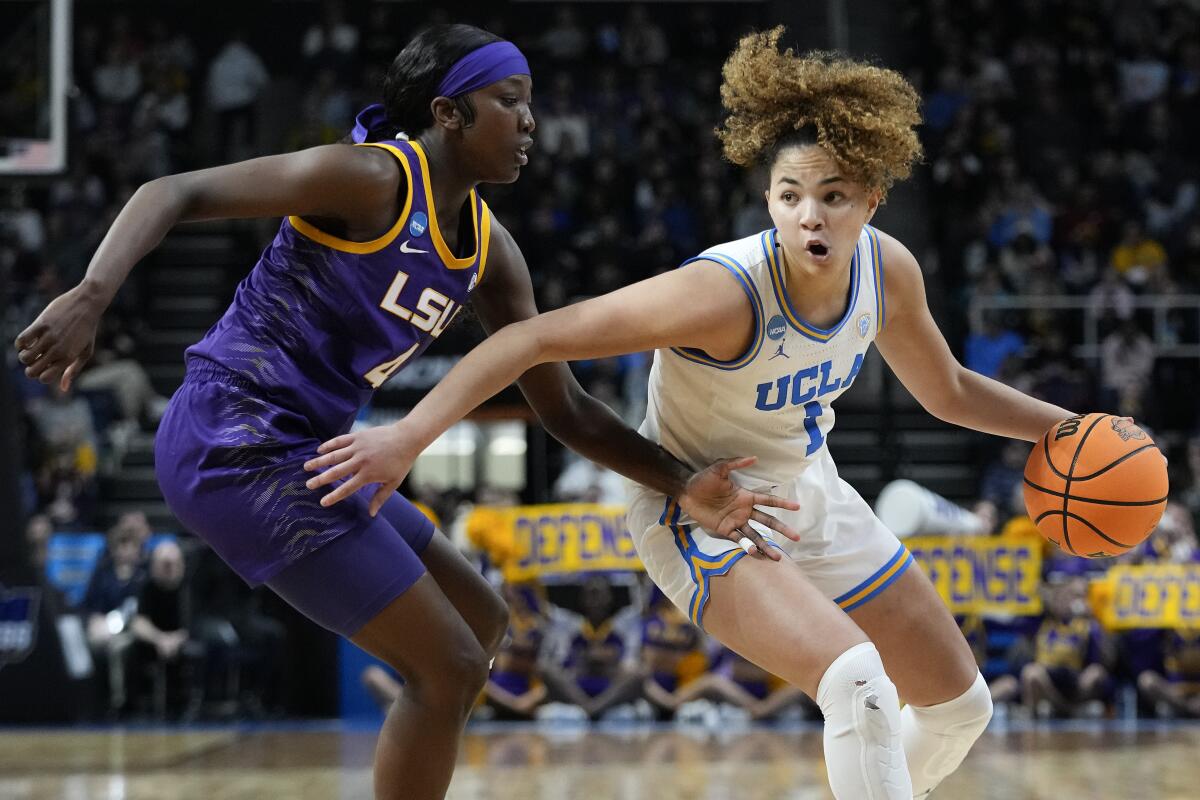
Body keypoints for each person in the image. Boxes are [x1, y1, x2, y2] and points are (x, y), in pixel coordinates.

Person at [14, 25, 796, 800]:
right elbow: (171, 190)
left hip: (307, 450)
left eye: (531, 104)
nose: (530, 122)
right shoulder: (370, 179)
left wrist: (681, 481)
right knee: (448, 664)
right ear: (448, 113)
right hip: (230, 435)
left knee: (482, 623)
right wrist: (91, 294)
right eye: (509, 101)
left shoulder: (492, 253)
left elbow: (565, 408)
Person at [306, 29, 1081, 798]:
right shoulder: (723, 293)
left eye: (834, 196)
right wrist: (406, 437)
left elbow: (945, 388)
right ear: (769, 201)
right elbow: (533, 338)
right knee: (856, 681)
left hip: (811, 491)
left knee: (959, 710)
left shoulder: (889, 269)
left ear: (872, 201)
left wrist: (1065, 429)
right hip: (699, 507)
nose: (809, 216)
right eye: (789, 196)